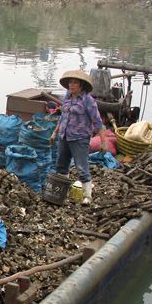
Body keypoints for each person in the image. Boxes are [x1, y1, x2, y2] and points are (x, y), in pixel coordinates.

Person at [49, 70, 107, 205]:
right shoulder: (68, 97)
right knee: (61, 165)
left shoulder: (88, 100)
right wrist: (54, 133)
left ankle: (87, 196)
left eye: (75, 83)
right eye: (70, 82)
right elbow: (63, 117)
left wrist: (103, 142)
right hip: (64, 136)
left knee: (82, 167)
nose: (71, 85)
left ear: (81, 85)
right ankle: (63, 191)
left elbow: (97, 122)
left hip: (79, 138)